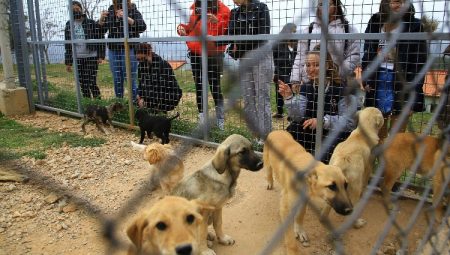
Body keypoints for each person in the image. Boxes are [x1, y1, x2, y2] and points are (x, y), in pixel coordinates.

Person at [278, 46, 357, 163]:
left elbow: (349, 123)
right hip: (312, 133)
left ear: (326, 66)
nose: (311, 69)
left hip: (332, 135)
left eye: (316, 65)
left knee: (323, 156)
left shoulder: (341, 90)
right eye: (308, 65)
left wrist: (323, 121)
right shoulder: (306, 87)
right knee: (290, 134)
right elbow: (298, 117)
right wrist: (289, 98)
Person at [362, 0, 427, 140]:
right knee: (378, 133)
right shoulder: (375, 22)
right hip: (377, 79)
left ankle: (392, 160)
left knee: (397, 137)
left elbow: (419, 63)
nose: (400, 5)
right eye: (396, 1)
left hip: (402, 81)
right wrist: (366, 78)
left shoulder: (415, 26)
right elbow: (367, 52)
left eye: (403, 2)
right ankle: (381, 160)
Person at [223, 0, 272, 144]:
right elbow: (231, 34)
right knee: (248, 98)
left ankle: (266, 137)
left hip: (260, 56)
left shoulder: (261, 8)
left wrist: (240, 42)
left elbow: (262, 34)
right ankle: (256, 135)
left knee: (262, 97)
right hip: (244, 58)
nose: (233, 1)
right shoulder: (235, 13)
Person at [177, 0, 230, 130]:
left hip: (213, 53)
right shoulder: (197, 8)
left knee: (215, 86)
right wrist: (182, 28)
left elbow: (227, 30)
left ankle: (220, 121)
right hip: (195, 52)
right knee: (199, 86)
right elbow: (190, 27)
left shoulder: (223, 10)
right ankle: (202, 118)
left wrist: (216, 21)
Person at [290, 0, 360, 90]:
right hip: (311, 83)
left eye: (328, 4)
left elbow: (353, 56)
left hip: (336, 83)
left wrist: (338, 72)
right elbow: (300, 56)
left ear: (336, 5)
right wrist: (295, 80)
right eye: (321, 4)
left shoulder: (348, 30)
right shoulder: (309, 30)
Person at [98, 0, 146, 99]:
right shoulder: (111, 10)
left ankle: (134, 104)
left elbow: (142, 26)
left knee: (129, 78)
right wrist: (101, 19)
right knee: (117, 78)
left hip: (129, 49)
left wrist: (126, 18)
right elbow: (102, 30)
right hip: (113, 49)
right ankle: (119, 104)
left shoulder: (133, 9)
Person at [64, 1, 104, 99]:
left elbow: (100, 37)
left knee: (91, 82)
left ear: (81, 9)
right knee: (83, 83)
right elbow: (68, 43)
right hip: (78, 57)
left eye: (77, 9)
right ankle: (88, 105)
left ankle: (99, 103)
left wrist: (100, 56)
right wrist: (68, 62)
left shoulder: (90, 22)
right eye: (73, 10)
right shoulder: (69, 24)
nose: (76, 11)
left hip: (91, 56)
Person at [135, 43, 182, 114]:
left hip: (166, 95)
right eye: (138, 59)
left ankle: (157, 111)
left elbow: (162, 87)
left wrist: (146, 100)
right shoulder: (141, 66)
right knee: (134, 101)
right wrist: (140, 95)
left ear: (149, 53)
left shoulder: (163, 65)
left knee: (150, 100)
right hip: (152, 94)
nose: (141, 61)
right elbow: (141, 83)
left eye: (143, 59)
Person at [272, 23, 297, 119]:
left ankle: (292, 114)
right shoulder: (277, 43)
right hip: (281, 71)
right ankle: (279, 112)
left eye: (294, 32)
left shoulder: (296, 43)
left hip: (292, 72)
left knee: (292, 92)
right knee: (279, 92)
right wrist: (275, 72)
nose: (293, 33)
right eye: (292, 31)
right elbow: (274, 59)